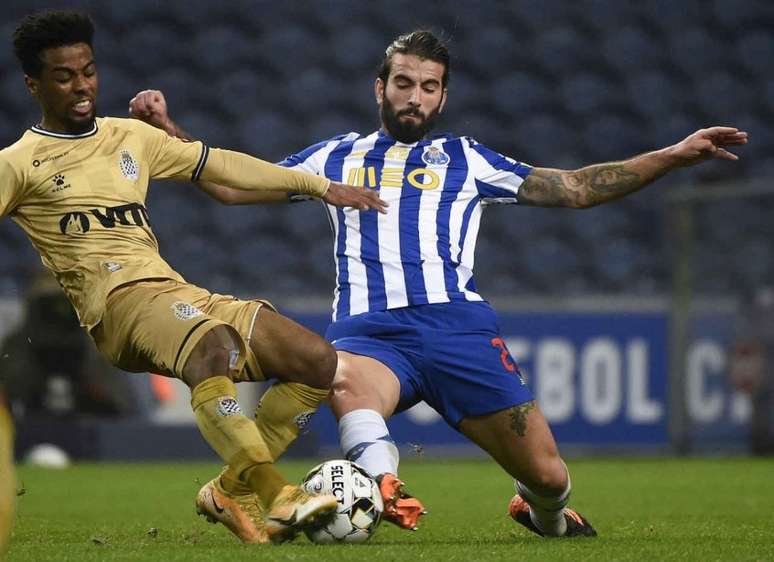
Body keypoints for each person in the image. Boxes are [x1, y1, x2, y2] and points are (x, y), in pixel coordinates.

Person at [132, 29, 747, 538]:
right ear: (380, 87)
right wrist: (170, 131)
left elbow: (578, 188)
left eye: (428, 87)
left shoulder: (467, 159)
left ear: (442, 98)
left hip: (459, 332)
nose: (414, 98)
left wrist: (673, 154)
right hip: (370, 335)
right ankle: (383, 482)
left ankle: (543, 514)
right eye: (403, 83)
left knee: (551, 475)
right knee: (332, 372)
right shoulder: (333, 158)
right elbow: (232, 184)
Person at [2, 10, 387, 546]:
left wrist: (319, 185)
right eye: (64, 76)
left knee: (315, 360)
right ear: (33, 84)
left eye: (88, 71)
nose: (82, 86)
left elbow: (222, 166)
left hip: (173, 290)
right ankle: (278, 494)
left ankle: (230, 491)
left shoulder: (131, 137)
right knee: (211, 346)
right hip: (118, 307)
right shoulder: (18, 163)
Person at [729, 285, 774, 455]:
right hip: (760, 356)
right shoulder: (754, 305)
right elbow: (745, 341)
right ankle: (760, 443)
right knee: (760, 402)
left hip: (763, 355)